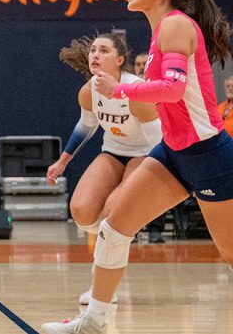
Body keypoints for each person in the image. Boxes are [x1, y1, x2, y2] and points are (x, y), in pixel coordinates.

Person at [41, 0, 233, 334]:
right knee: (114, 228)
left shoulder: (176, 25)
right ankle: (93, 320)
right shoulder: (162, 28)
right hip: (173, 153)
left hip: (209, 155)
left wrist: (120, 89)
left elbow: (174, 89)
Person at [46, 33, 162, 304]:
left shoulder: (137, 90)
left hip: (146, 153)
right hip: (113, 150)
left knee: (112, 214)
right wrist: (63, 160)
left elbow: (158, 141)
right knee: (82, 211)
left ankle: (102, 285)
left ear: (120, 60)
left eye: (104, 50)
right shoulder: (89, 91)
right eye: (93, 50)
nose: (95, 55)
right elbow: (86, 125)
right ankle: (112, 246)